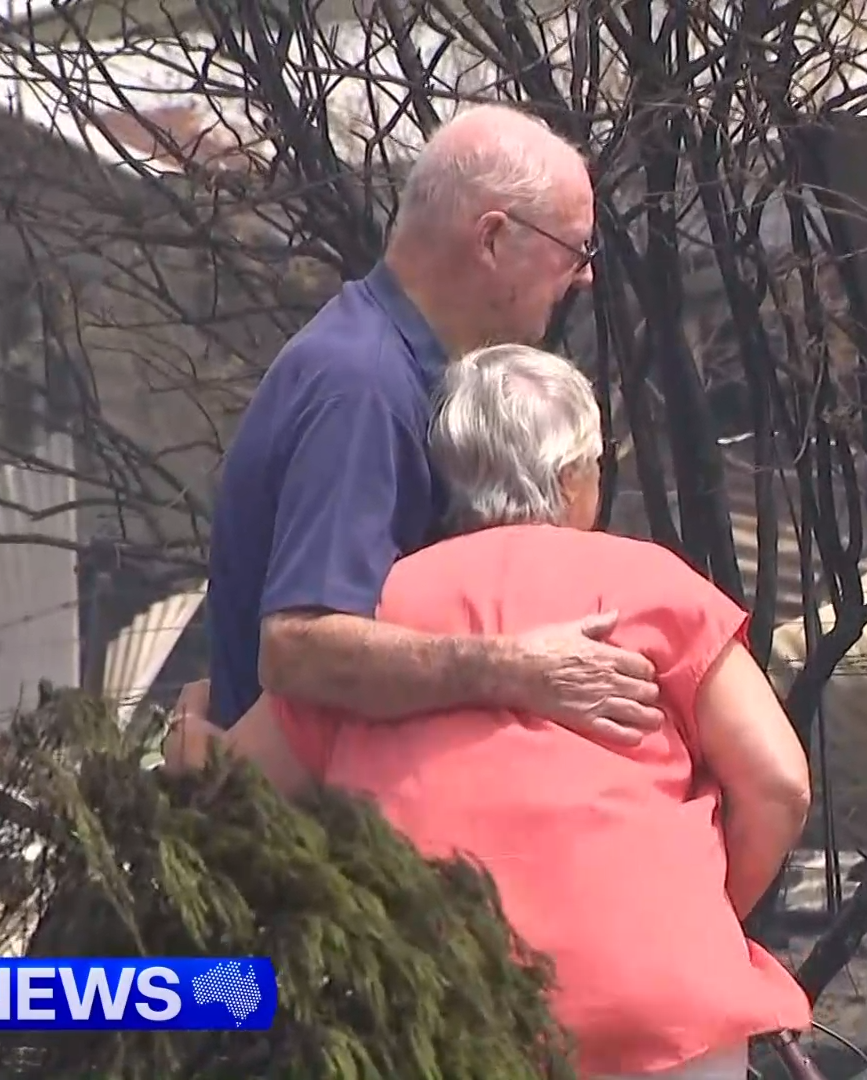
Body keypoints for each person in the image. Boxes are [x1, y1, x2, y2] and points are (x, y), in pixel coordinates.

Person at [230, 344, 814, 1080]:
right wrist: (706, 914)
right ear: (574, 479)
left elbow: (236, 784)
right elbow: (781, 783)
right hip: (657, 1007)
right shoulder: (651, 585)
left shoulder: (377, 615)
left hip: (433, 1013)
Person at [183, 103, 665, 766]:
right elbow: (298, 646)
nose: (586, 275)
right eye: (573, 250)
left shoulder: (380, 361)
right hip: (305, 838)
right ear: (493, 240)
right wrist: (515, 669)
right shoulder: (364, 388)